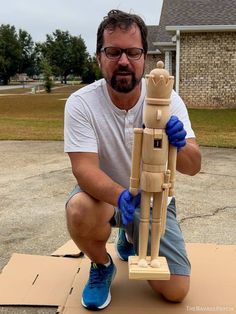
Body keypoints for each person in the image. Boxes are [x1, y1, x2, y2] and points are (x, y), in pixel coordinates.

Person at [64, 9, 201, 311]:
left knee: (176, 290)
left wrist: (178, 145)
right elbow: (83, 168)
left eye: (133, 52)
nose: (123, 61)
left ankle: (130, 237)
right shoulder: (81, 103)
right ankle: (102, 265)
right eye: (113, 52)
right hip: (107, 198)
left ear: (145, 58)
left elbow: (193, 166)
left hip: (155, 199)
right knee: (78, 210)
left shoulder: (168, 100)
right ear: (99, 57)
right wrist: (120, 195)